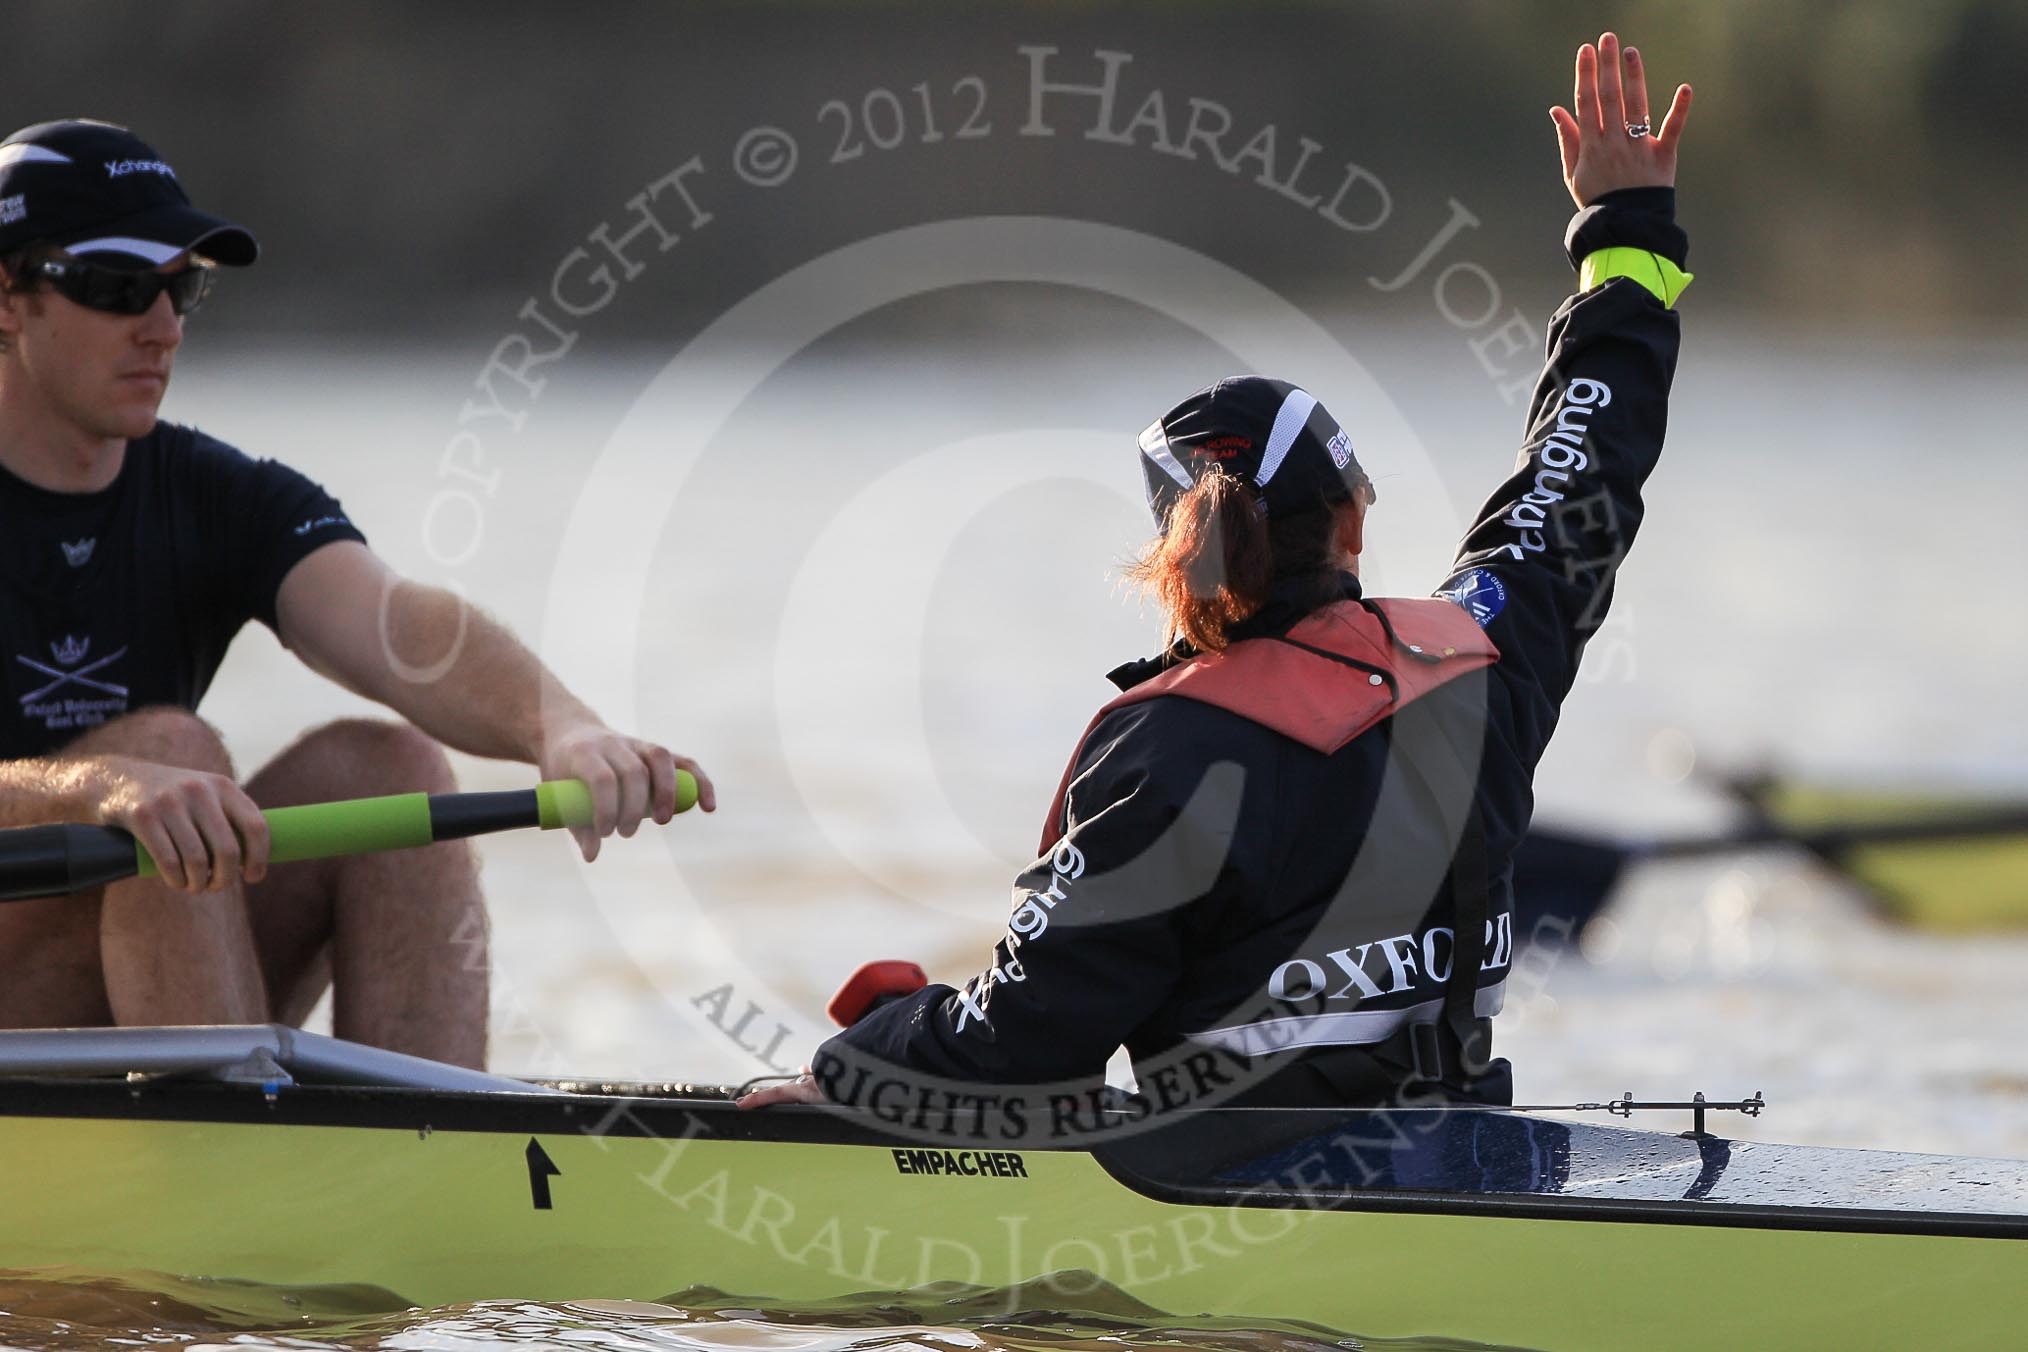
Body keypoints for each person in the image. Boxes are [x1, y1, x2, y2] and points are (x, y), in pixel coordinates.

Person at [742, 32, 1691, 1119]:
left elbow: (1022, 1049)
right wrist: (1627, 240)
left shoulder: (1166, 747)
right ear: (1351, 522)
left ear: (1173, 561)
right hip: (1467, 1154)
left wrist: (866, 1049)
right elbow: (1585, 465)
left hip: (1243, 1232)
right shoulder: (1480, 654)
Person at [0, 118, 716, 1069]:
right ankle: (231, 1153)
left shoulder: (219, 495)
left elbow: (400, 626)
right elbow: (137, 773)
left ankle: (437, 1153)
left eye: (182, 287)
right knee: (167, 752)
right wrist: (99, 788)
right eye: (120, 286)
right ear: (7, 298)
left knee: (386, 766)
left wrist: (564, 731)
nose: (164, 327)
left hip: (142, 962)